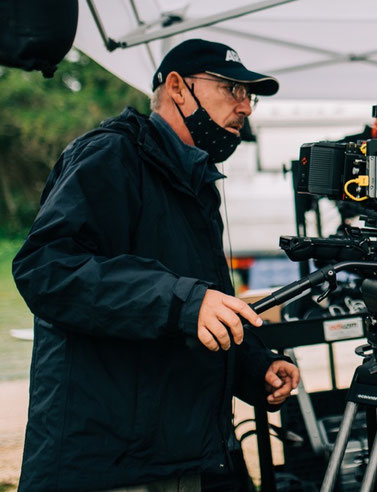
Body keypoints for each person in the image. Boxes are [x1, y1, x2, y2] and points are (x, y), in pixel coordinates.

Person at [12, 38, 300, 492]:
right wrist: (184, 301)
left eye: (251, 95)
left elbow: (203, 307)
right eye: (233, 90)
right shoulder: (112, 155)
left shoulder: (196, 182)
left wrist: (255, 366)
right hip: (110, 465)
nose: (246, 107)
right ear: (178, 88)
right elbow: (46, 269)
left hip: (188, 453)